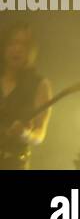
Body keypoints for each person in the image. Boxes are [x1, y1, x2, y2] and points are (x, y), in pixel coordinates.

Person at [0, 23, 53, 170]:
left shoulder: (40, 85)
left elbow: (39, 134)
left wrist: (25, 134)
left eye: (23, 44)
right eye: (12, 43)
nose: (17, 49)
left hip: (14, 164)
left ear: (31, 51)